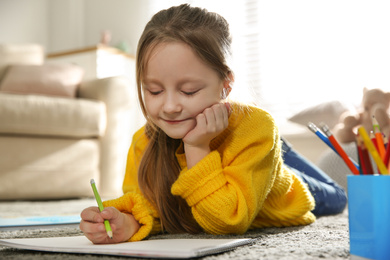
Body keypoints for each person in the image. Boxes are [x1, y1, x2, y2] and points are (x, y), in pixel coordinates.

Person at [79, 4, 347, 244]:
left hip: (277, 187)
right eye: (154, 91)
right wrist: (128, 221)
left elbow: (227, 221)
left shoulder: (257, 128)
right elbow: (149, 206)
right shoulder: (144, 141)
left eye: (189, 91)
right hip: (247, 151)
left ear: (225, 85)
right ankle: (275, 151)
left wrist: (196, 146)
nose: (170, 107)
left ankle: (277, 153)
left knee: (338, 198)